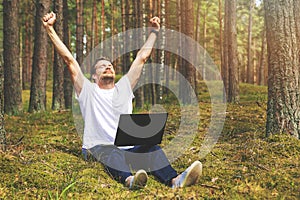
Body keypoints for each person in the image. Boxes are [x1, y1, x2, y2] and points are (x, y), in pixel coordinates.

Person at [42, 12, 202, 189]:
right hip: (97, 149)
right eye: (102, 66)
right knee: (111, 151)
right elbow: (69, 61)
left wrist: (154, 32)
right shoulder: (87, 91)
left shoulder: (124, 88)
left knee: (152, 148)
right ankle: (130, 181)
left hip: (127, 150)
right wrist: (50, 29)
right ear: (94, 76)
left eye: (110, 65)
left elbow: (142, 58)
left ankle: (175, 180)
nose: (108, 66)